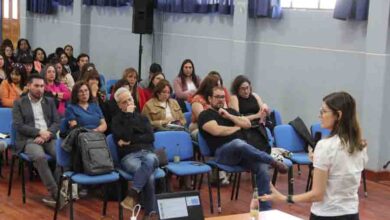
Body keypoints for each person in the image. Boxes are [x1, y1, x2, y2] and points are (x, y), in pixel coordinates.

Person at [260, 91, 368, 220]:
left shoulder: (325, 146)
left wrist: (284, 198)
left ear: (338, 115)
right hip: (352, 214)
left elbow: (317, 194)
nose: (320, 115)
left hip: (326, 215)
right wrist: (317, 165)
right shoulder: (360, 145)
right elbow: (337, 179)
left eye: (324, 111)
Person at [198, 86, 288, 210]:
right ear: (210, 98)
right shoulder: (205, 115)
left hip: (243, 154)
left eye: (222, 97)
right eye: (217, 97)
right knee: (238, 143)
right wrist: (237, 127)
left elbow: (247, 124)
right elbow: (217, 131)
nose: (220, 99)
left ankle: (265, 210)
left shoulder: (230, 112)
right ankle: (271, 160)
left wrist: (229, 116)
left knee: (262, 168)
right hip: (222, 154)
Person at [12, 74, 66, 207]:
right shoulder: (19, 103)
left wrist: (47, 133)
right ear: (29, 86)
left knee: (61, 155)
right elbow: (19, 126)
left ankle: (60, 190)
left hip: (48, 137)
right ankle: (56, 195)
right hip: (29, 139)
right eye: (36, 86)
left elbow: (57, 122)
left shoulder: (49, 101)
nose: (40, 89)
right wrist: (38, 132)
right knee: (40, 157)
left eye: (42, 86)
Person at [111, 87, 158, 219]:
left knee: (149, 161)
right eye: (124, 102)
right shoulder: (116, 120)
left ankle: (133, 193)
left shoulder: (143, 118)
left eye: (130, 99)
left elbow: (151, 137)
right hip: (129, 156)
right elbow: (125, 137)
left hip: (148, 153)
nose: (128, 103)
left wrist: (132, 139)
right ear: (120, 106)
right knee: (148, 175)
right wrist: (129, 116)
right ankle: (150, 213)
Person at [229, 75, 271, 153]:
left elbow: (263, 111)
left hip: (258, 127)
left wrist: (265, 109)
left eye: (247, 88)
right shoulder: (234, 98)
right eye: (243, 89)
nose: (246, 91)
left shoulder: (255, 95)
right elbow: (238, 118)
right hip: (245, 130)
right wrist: (256, 116)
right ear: (237, 89)